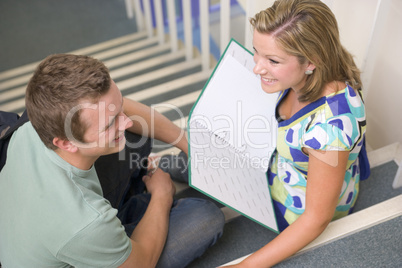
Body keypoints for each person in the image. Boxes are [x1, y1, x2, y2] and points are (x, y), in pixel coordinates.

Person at [0, 54, 224, 268]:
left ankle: (147, 187)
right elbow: (142, 263)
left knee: (136, 137)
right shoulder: (83, 222)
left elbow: (121, 111)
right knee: (205, 217)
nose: (126, 122)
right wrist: (162, 196)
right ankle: (147, 194)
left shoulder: (39, 120)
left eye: (118, 110)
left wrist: (186, 143)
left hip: (61, 226)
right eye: (110, 124)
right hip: (84, 240)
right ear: (66, 143)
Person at [223, 0, 369, 267]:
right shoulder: (314, 70)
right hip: (281, 164)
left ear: (311, 62)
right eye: (257, 52)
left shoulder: (329, 134)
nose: (257, 67)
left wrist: (245, 266)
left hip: (294, 208)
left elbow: (316, 219)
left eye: (273, 60)